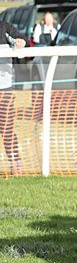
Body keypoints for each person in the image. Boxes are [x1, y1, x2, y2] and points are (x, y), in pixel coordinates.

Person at [1, 20, 27, 176]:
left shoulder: (5, 27)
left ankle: (16, 164)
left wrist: (20, 42)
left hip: (4, 89)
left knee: (7, 129)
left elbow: (22, 39)